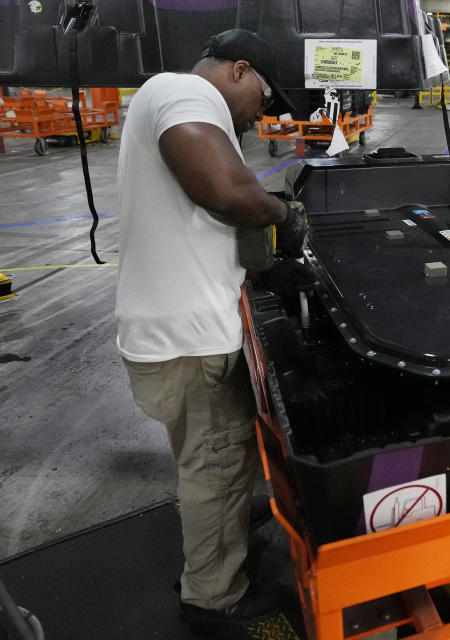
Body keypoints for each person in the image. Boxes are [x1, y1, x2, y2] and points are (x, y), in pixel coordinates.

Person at [114, 29, 305, 627]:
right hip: (191, 341)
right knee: (216, 470)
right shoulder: (183, 92)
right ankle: (215, 596)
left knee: (208, 466)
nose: (260, 118)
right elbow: (225, 192)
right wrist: (284, 214)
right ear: (239, 70)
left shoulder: (167, 99)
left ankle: (210, 552)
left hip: (170, 334)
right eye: (264, 101)